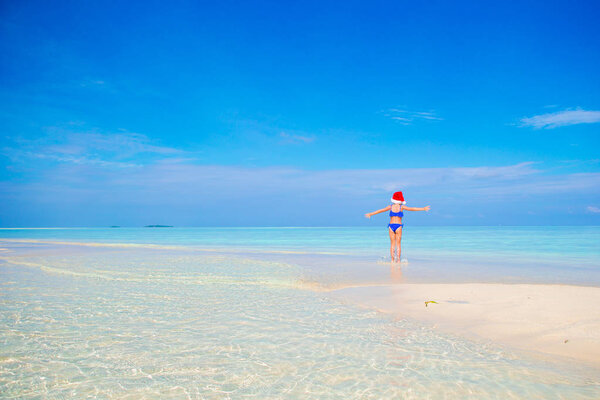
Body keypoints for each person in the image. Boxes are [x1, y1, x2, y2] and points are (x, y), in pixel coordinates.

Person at [364, 191, 430, 263]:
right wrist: (423, 208)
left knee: (392, 244)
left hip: (391, 226)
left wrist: (371, 214)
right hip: (398, 226)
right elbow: (412, 209)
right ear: (401, 200)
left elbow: (381, 210)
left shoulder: (390, 207)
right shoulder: (402, 207)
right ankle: (398, 260)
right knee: (398, 244)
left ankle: (392, 260)